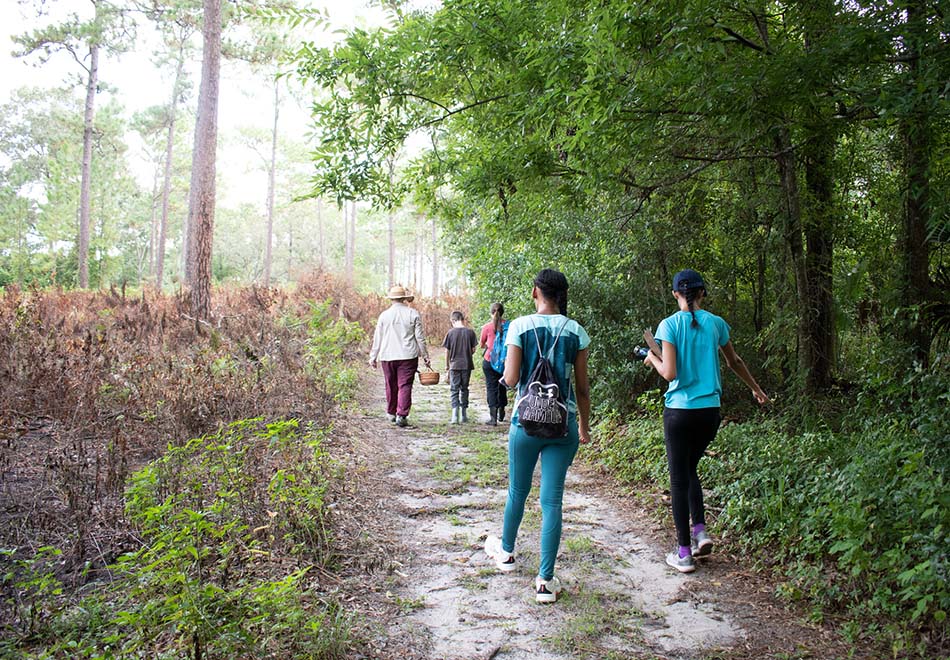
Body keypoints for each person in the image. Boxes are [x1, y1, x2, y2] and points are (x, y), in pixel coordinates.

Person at [643, 269, 770, 573]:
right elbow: (735, 361)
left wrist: (653, 359)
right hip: (710, 413)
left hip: (679, 412)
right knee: (689, 468)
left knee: (678, 477)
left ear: (675, 294)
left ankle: (683, 553)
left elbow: (670, 373)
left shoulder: (669, 325)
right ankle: (700, 531)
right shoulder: (716, 324)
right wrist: (756, 388)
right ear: (702, 294)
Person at [483, 269, 591, 603]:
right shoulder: (577, 332)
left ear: (535, 292)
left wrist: (509, 373)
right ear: (562, 295)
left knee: (517, 490)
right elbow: (583, 389)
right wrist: (584, 427)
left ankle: (506, 552)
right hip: (564, 424)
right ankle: (545, 581)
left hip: (525, 423)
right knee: (552, 501)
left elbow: (512, 378)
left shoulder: (519, 326)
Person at [368, 285, 431, 427]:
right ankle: (401, 415)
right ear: (404, 298)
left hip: (387, 355)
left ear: (391, 299)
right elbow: (420, 338)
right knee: (405, 385)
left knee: (390, 384)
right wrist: (425, 356)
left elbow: (378, 337)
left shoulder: (384, 315)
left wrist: (373, 356)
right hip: (408, 356)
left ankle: (391, 413)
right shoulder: (413, 314)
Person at [442, 310, 479, 424]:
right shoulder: (470, 332)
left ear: (453, 320)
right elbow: (473, 349)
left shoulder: (450, 333)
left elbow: (447, 352)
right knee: (464, 388)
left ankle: (454, 416)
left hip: (454, 365)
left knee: (454, 389)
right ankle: (463, 415)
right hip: (467, 365)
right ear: (462, 319)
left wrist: (447, 366)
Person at [479, 302, 509, 426]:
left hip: (490, 360)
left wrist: (488, 345)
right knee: (502, 385)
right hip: (505, 361)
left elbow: (481, 345)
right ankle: (502, 411)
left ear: (491, 313)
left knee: (491, 387)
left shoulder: (487, 327)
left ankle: (493, 418)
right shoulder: (509, 326)